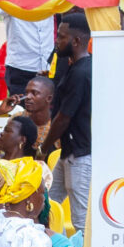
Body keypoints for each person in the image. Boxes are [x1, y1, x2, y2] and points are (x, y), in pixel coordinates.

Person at [45, 17, 95, 227]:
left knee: (81, 221)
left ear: (75, 41)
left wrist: (44, 146)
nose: (56, 41)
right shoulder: (77, 67)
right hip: (70, 152)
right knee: (47, 206)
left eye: (61, 36)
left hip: (79, 155)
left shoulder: (81, 73)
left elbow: (64, 118)